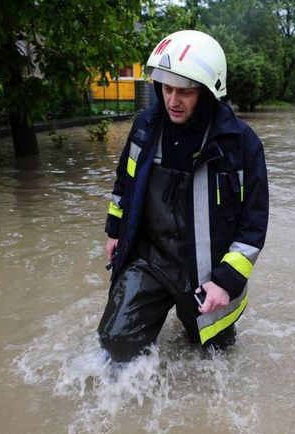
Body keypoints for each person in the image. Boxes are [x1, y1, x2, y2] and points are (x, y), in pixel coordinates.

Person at [97, 30, 269, 362]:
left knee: (213, 354)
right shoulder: (146, 127)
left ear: (208, 92)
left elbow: (253, 224)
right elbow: (124, 182)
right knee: (116, 342)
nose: (172, 101)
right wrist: (114, 231)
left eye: (185, 92)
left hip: (207, 273)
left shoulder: (241, 145)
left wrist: (226, 281)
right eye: (166, 88)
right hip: (150, 258)